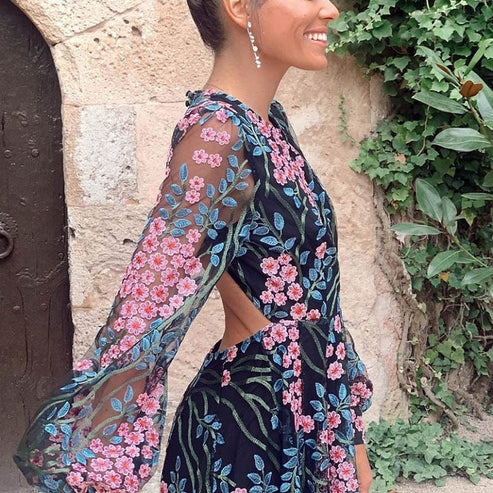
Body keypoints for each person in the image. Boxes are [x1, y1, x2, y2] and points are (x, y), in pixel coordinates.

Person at [14, 0, 374, 491]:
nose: (329, 9)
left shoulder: (267, 126)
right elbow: (149, 304)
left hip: (310, 414)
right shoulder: (218, 134)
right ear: (240, 8)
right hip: (254, 430)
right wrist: (92, 464)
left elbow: (321, 301)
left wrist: (349, 435)